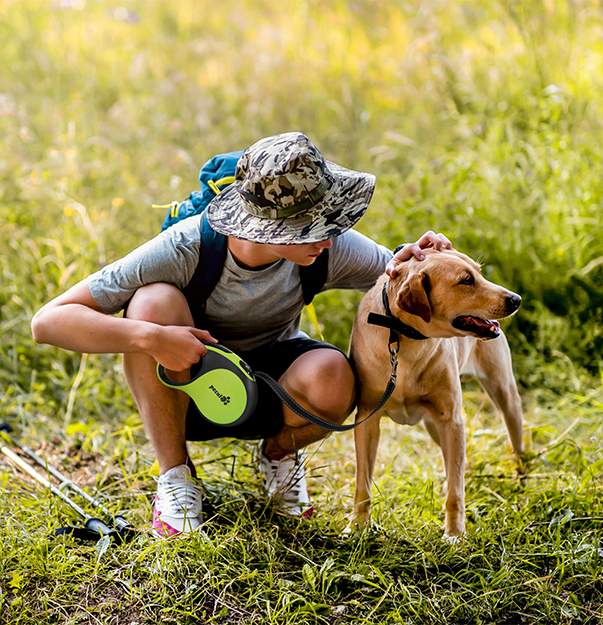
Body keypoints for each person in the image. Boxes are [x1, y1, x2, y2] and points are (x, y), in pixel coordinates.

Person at [30, 132, 451, 537]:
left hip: (272, 392)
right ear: (265, 227)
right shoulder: (184, 248)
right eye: (311, 225)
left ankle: (278, 455)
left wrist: (425, 258)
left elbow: (397, 274)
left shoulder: (327, 247)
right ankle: (176, 479)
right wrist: (152, 339)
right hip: (187, 389)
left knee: (333, 374)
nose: (329, 234)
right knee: (153, 304)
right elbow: (48, 322)